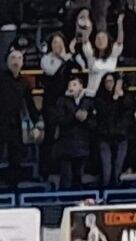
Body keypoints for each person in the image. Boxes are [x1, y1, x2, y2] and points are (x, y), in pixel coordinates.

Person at [0, 43, 42, 191]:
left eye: (19, 58)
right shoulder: (0, 76)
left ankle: (14, 189)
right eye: (13, 58)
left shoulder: (24, 83)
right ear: (7, 61)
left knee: (16, 158)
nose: (16, 61)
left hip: (15, 124)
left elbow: (30, 105)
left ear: (22, 63)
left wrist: (36, 123)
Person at [40, 33, 77, 177]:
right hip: (50, 101)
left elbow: (77, 69)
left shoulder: (68, 58)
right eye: (55, 42)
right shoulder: (46, 59)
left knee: (65, 134)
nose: (58, 45)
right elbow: (51, 71)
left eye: (60, 42)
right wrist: (63, 59)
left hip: (65, 101)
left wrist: (69, 56)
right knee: (50, 135)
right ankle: (46, 169)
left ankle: (62, 168)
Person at [55, 75, 95, 191]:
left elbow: (94, 123)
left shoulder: (88, 101)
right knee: (66, 178)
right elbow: (60, 120)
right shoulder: (62, 101)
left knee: (78, 177)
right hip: (66, 146)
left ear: (81, 86)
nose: (71, 87)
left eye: (74, 84)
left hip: (82, 145)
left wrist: (86, 119)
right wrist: (74, 116)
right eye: (70, 85)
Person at [95, 73, 132, 190]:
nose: (109, 84)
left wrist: (121, 97)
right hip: (105, 137)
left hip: (120, 137)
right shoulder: (100, 98)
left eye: (111, 81)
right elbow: (106, 114)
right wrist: (114, 99)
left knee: (117, 171)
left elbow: (128, 113)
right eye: (107, 81)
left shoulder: (126, 98)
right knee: (106, 172)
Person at [82, 19, 124, 97]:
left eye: (103, 38)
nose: (101, 41)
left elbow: (119, 42)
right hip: (92, 94)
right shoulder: (91, 56)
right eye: (98, 38)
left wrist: (120, 24)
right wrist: (87, 29)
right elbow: (85, 42)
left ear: (108, 40)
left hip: (109, 95)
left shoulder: (113, 55)